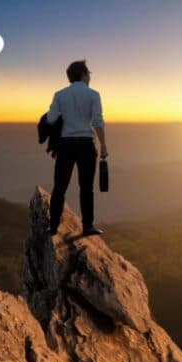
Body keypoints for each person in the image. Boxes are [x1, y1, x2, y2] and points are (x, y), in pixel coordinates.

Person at [45, 60, 107, 236]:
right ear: (83, 75)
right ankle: (87, 226)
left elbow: (50, 119)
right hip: (86, 144)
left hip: (65, 145)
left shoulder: (59, 94)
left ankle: (53, 225)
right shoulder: (93, 95)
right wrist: (103, 144)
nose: (89, 78)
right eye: (88, 75)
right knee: (86, 187)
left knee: (60, 186)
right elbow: (97, 121)